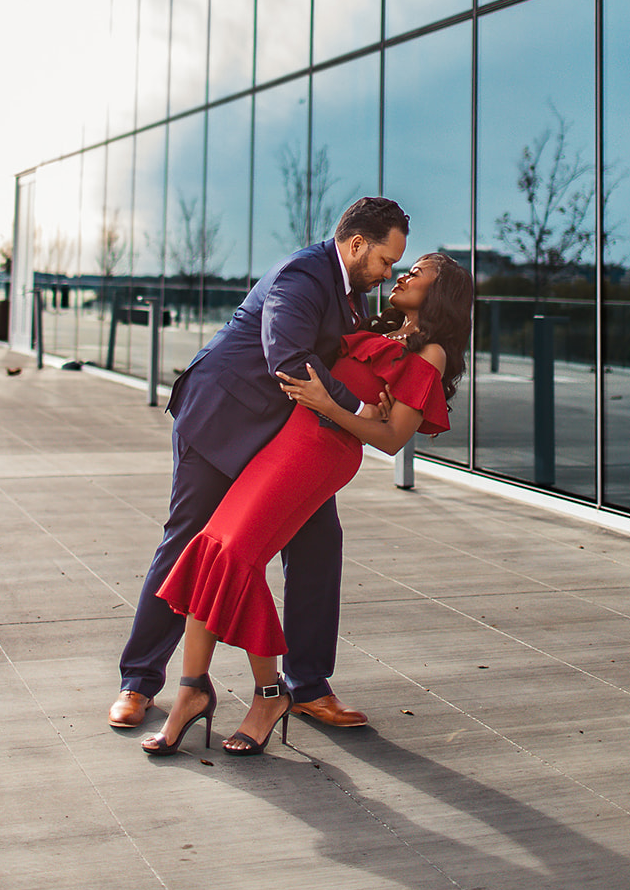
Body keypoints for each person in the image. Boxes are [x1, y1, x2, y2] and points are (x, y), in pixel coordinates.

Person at [140, 252, 474, 755]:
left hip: (322, 451)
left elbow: (389, 439)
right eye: (400, 264)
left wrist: (329, 406)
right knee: (212, 546)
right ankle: (192, 691)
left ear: (441, 292)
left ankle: (269, 696)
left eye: (416, 271)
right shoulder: (375, 326)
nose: (401, 275)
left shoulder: (432, 356)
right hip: (287, 439)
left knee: (237, 555)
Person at [108, 196, 411, 731]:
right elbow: (290, 360)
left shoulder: (350, 294)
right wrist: (360, 407)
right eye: (386, 260)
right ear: (357, 243)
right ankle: (139, 681)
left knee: (319, 543)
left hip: (281, 438)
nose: (389, 272)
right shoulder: (303, 275)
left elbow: (346, 354)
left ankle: (308, 687)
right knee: (187, 539)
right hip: (221, 419)